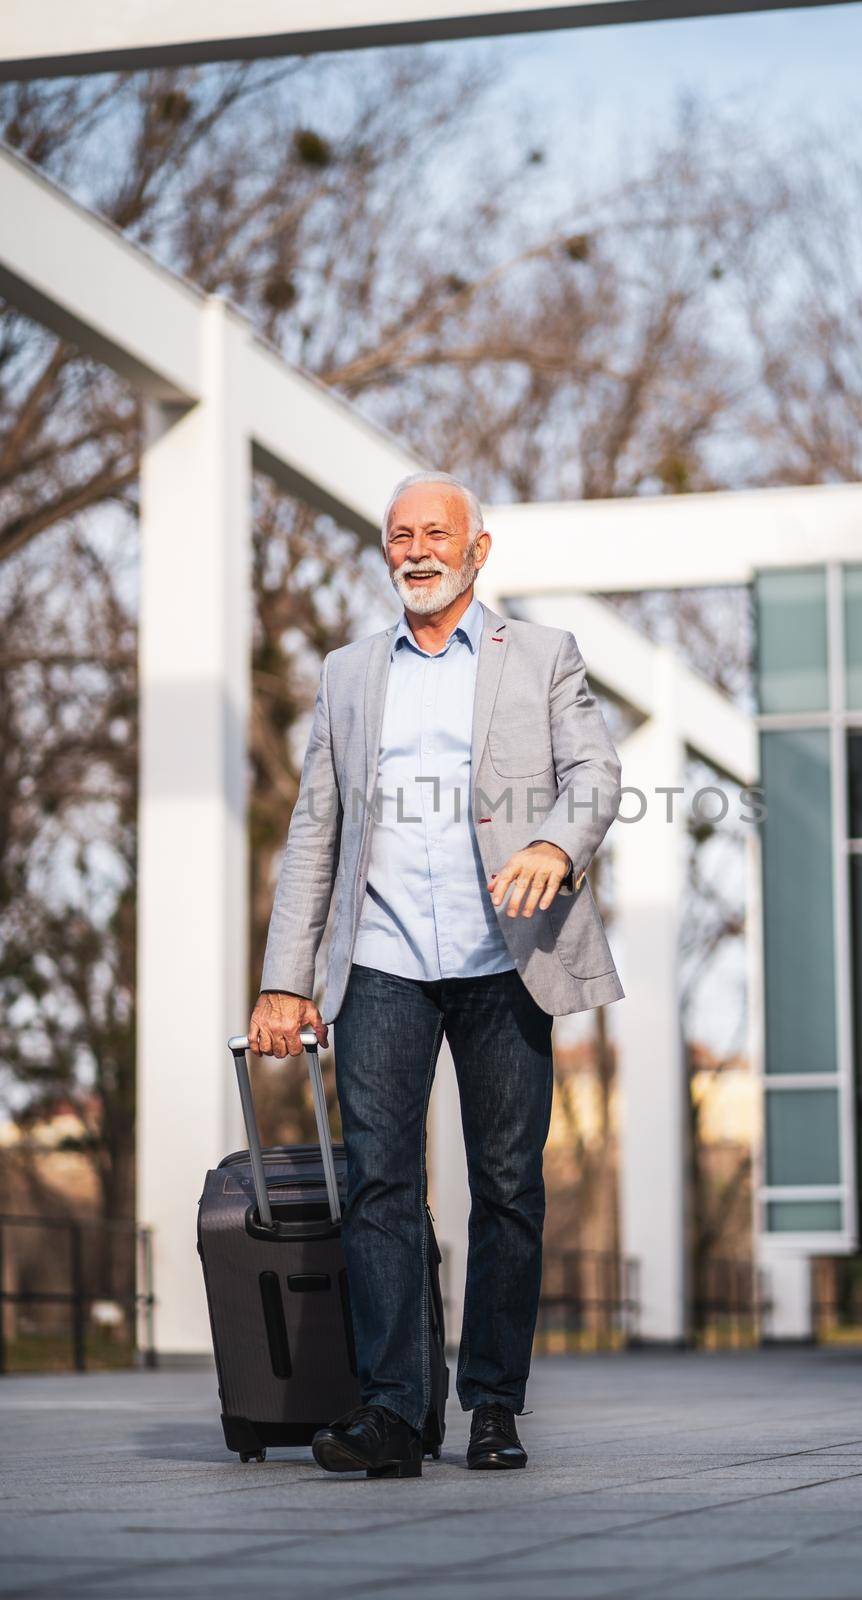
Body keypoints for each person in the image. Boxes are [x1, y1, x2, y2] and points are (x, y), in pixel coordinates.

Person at [246, 471, 623, 1477]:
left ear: (476, 549)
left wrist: (553, 843)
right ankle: (393, 1412)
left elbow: (594, 773)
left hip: (508, 957)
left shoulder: (539, 656)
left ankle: (492, 1403)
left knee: (505, 1185)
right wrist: (286, 978)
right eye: (398, 536)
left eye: (434, 534)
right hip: (383, 960)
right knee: (378, 1183)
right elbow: (315, 828)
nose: (415, 550)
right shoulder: (347, 675)